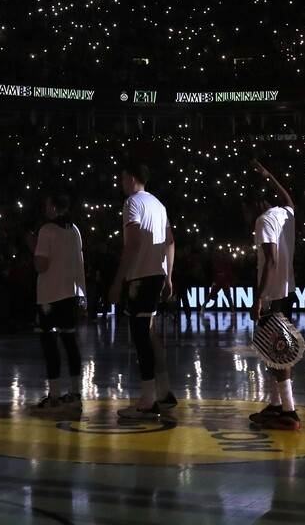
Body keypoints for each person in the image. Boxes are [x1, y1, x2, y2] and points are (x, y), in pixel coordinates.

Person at [108, 161, 176, 421]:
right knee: (149, 332)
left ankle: (148, 400)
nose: (120, 182)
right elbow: (170, 241)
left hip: (141, 276)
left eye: (123, 177)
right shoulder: (158, 204)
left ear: (133, 177)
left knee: (140, 336)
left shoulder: (132, 203)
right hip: (156, 274)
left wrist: (118, 281)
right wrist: (168, 276)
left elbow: (133, 243)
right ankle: (164, 391)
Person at [245, 159, 301, 431]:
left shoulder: (264, 220)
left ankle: (289, 411)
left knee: (278, 351)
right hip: (287, 289)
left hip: (273, 293)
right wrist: (270, 175)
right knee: (273, 349)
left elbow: (270, 261)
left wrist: (258, 298)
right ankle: (277, 404)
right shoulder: (285, 214)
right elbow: (288, 197)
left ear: (255, 205)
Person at [32, 193, 86, 412]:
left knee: (50, 344)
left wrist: (32, 248)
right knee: (70, 343)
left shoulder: (47, 231)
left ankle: (54, 395)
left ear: (54, 207)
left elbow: (41, 265)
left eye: (47, 203)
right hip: (71, 294)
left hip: (50, 296)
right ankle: (75, 393)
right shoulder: (75, 230)